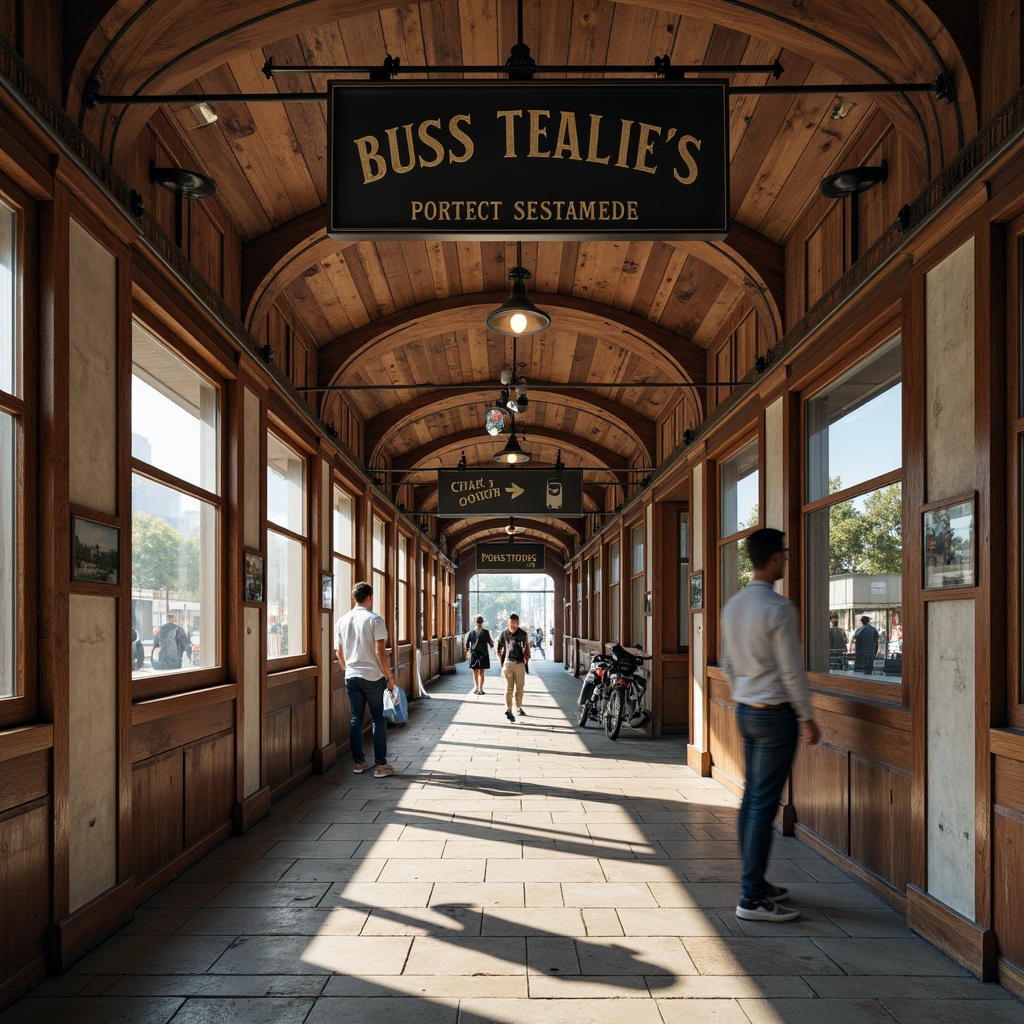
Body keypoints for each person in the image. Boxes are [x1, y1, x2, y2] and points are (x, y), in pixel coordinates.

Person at [720, 528, 820, 923]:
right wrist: (807, 715)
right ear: (776, 558)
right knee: (763, 805)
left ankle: (756, 883)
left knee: (752, 799)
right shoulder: (779, 608)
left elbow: (727, 663)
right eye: (785, 554)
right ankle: (750, 896)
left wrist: (743, 689)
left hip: (745, 709)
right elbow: (792, 671)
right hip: (775, 714)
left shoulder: (734, 605)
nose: (786, 561)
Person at [335, 581, 397, 777]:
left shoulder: (342, 620)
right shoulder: (375, 620)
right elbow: (380, 651)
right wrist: (389, 676)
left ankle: (359, 763)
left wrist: (348, 669)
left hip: (351, 676)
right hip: (372, 676)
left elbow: (338, 652)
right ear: (369, 597)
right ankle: (380, 765)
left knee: (356, 718)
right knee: (378, 719)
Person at [497, 612, 531, 723]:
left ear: (518, 622)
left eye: (516, 623)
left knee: (520, 687)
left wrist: (526, 656)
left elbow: (527, 649)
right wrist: (502, 663)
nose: (514, 625)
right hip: (508, 662)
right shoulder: (503, 634)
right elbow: (498, 650)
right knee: (509, 687)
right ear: (509, 622)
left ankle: (519, 707)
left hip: (520, 663)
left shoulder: (523, 634)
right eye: (512, 622)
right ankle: (509, 708)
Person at [465, 616, 494, 695]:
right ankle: (480, 688)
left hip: (474, 653)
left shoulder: (471, 633)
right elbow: (491, 644)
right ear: (482, 622)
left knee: (475, 671)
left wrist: (467, 653)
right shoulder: (485, 632)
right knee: (481, 671)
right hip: (483, 653)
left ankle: (477, 688)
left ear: (475, 622)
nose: (479, 624)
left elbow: (467, 644)